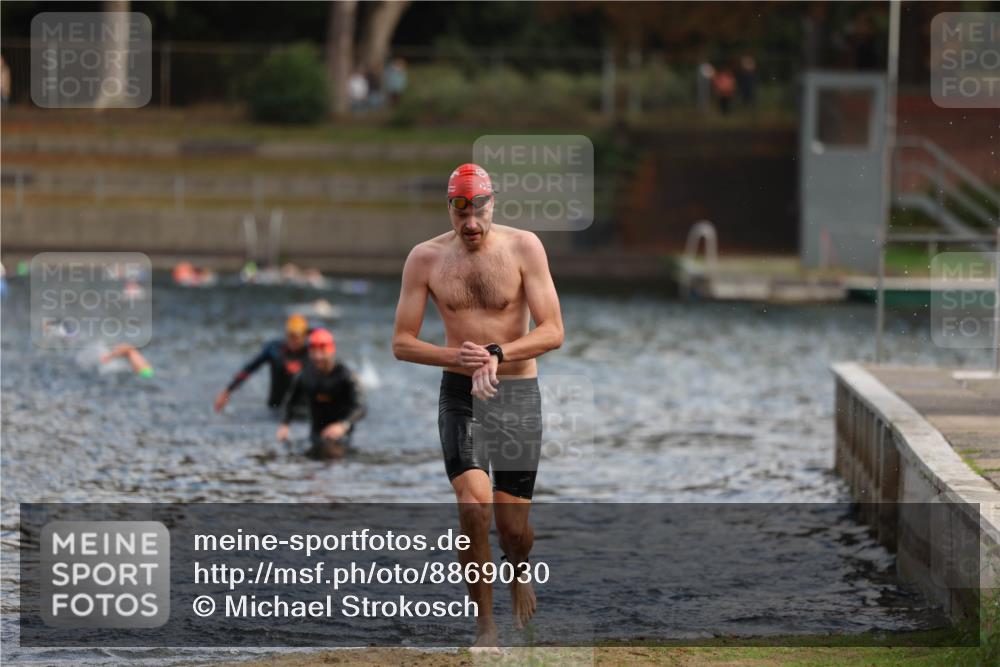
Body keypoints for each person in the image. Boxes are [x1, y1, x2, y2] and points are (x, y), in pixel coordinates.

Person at [391, 163, 564, 652]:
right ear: (449, 207)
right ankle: (485, 625)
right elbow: (402, 343)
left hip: (516, 397)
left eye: (479, 210)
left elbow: (553, 330)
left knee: (513, 530)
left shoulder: (524, 247)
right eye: (460, 211)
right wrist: (459, 358)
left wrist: (497, 354)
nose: (470, 223)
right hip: (460, 394)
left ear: (493, 205)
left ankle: (519, 569)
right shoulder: (424, 259)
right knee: (472, 507)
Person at [276, 328, 365, 460]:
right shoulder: (305, 375)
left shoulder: (346, 376)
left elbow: (360, 407)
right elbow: (291, 400)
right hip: (316, 433)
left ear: (331, 351)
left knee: (334, 457)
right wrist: (285, 424)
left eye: (322, 352)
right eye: (314, 352)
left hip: (341, 436)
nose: (318, 357)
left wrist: (342, 425)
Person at [214, 315, 310, 413]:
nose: (294, 341)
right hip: (276, 407)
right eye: (291, 336)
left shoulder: (312, 353)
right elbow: (249, 369)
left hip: (303, 408)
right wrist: (227, 391)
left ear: (305, 336)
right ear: (286, 335)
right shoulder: (274, 350)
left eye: (297, 337)